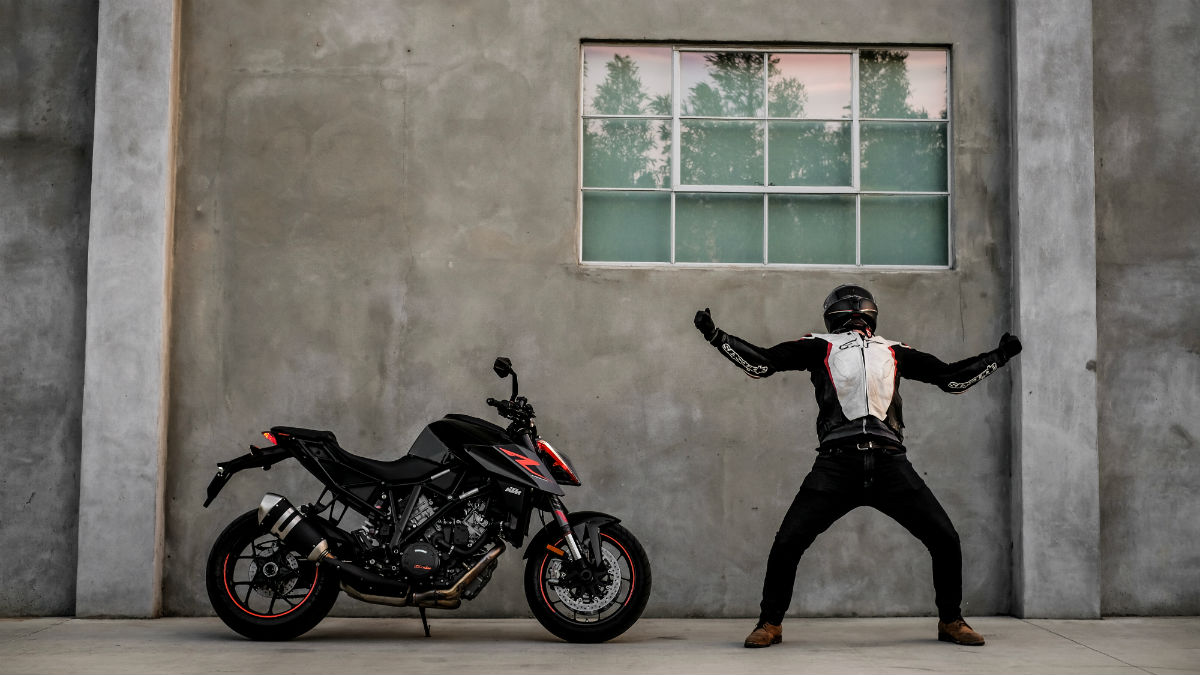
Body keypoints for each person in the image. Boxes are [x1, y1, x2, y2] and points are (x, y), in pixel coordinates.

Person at [692, 285, 1022, 648]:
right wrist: (716, 336)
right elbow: (764, 363)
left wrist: (999, 356)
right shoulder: (820, 345)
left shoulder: (892, 350)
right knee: (788, 543)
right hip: (837, 465)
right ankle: (769, 623)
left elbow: (950, 378)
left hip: (888, 464)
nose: (854, 319)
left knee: (944, 538)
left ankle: (951, 620)